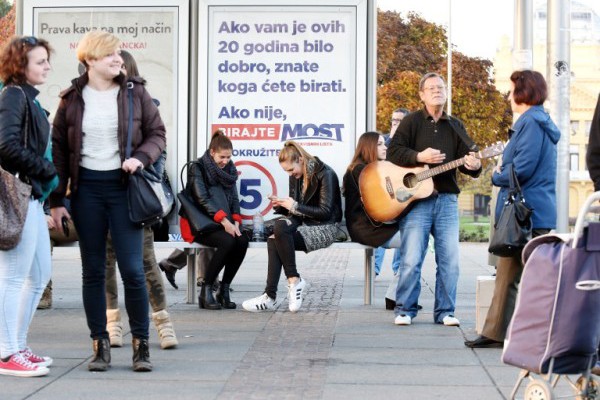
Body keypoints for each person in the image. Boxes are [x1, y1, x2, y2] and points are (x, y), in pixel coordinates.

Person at [50, 31, 166, 372]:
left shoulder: (135, 93)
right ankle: (100, 344)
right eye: (110, 55)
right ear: (90, 60)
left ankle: (141, 346)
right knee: (94, 271)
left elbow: (157, 134)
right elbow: (59, 150)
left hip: (123, 188)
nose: (118, 59)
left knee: (132, 270)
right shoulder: (71, 98)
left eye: (119, 54)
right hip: (86, 191)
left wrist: (141, 158)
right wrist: (57, 200)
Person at [464, 70, 559, 348]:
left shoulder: (531, 122)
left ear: (524, 91)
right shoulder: (537, 121)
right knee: (509, 275)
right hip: (531, 212)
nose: (507, 96)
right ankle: (496, 333)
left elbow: (523, 168)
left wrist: (497, 175)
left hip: (527, 215)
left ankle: (541, 336)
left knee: (530, 279)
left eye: (511, 90)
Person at [387, 72, 482, 327]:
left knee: (450, 260)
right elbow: (393, 152)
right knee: (411, 258)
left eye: (440, 87)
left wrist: (474, 164)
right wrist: (419, 156)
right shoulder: (411, 122)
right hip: (416, 201)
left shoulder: (456, 125)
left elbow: (470, 163)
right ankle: (405, 310)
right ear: (422, 94)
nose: (437, 91)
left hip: (447, 201)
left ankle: (445, 312)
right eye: (431, 88)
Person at [104, 50, 178, 350]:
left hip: (134, 198)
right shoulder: (94, 103)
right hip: (103, 195)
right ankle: (112, 323)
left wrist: (140, 163)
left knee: (145, 263)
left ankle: (162, 323)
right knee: (107, 262)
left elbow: (159, 151)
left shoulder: (145, 105)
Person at [0, 35, 57, 377]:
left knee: (39, 276)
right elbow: (4, 146)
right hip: (18, 193)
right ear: (21, 66)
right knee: (14, 276)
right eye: (40, 61)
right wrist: (45, 168)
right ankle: (6, 351)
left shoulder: (27, 99)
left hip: (31, 195)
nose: (47, 66)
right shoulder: (14, 96)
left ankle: (17, 345)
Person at [242, 141, 342, 313]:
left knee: (277, 234)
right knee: (277, 232)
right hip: (304, 223)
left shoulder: (326, 174)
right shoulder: (296, 176)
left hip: (325, 227)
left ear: (301, 160)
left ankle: (274, 293)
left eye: (291, 169)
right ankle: (288, 283)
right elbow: (296, 211)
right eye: (286, 171)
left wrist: (294, 206)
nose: (290, 174)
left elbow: (325, 212)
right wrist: (282, 206)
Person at [180, 131, 248, 310]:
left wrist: (236, 221)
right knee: (227, 241)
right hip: (200, 223)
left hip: (221, 222)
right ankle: (206, 290)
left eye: (228, 157)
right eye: (222, 157)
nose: (225, 161)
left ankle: (224, 290)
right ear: (212, 152)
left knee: (241, 241)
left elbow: (233, 198)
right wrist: (225, 222)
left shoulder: (230, 170)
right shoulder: (198, 168)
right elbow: (202, 199)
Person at [374, 108, 409, 279]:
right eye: (393, 120)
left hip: (403, 195)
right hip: (384, 195)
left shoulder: (410, 143)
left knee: (405, 231)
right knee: (380, 228)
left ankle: (398, 271)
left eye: (399, 120)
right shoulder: (384, 142)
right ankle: (374, 269)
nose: (395, 123)